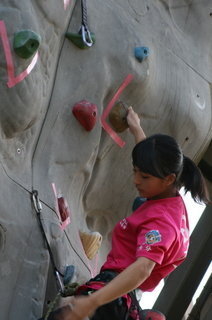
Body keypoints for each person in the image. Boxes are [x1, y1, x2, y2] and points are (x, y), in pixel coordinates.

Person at [46, 107, 209, 320]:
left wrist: (93, 302)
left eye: (144, 177)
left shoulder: (162, 223)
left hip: (111, 298)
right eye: (135, 171)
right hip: (117, 297)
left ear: (168, 178)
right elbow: (150, 161)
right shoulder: (169, 198)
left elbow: (143, 268)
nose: (136, 180)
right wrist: (136, 128)